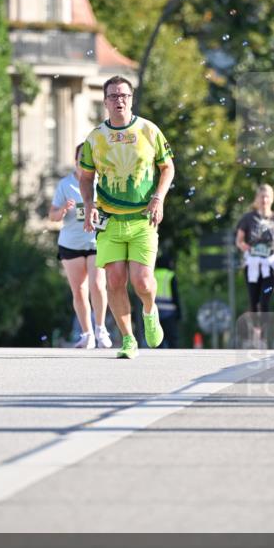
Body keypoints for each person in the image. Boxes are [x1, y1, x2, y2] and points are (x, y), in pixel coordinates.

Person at [79, 76, 174, 360]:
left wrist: (158, 198)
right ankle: (128, 338)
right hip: (110, 220)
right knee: (115, 281)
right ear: (105, 102)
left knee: (142, 282)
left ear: (131, 99)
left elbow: (167, 167)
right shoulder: (95, 138)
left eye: (124, 95)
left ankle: (150, 310)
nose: (119, 100)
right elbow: (85, 177)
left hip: (143, 218)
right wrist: (89, 204)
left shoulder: (149, 130)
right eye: (113, 96)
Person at [49, 144, 111, 349]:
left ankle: (101, 329)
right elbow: (52, 216)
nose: (83, 165)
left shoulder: (102, 183)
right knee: (79, 290)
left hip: (96, 242)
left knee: (98, 285)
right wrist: (62, 210)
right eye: (80, 161)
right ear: (75, 161)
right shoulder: (65, 184)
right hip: (70, 244)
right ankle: (87, 334)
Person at [235, 184, 274, 348]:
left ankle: (264, 336)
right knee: (253, 301)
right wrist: (244, 247)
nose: (264, 200)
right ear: (257, 199)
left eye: (267, 197)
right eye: (261, 197)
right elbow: (239, 240)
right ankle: (256, 332)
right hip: (252, 265)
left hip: (270, 264)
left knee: (265, 300)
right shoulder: (248, 218)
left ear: (272, 199)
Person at [154, 255, 182, 349]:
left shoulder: (152, 274)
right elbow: (175, 295)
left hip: (154, 312)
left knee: (157, 339)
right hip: (169, 312)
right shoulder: (170, 275)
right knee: (172, 339)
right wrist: (179, 311)